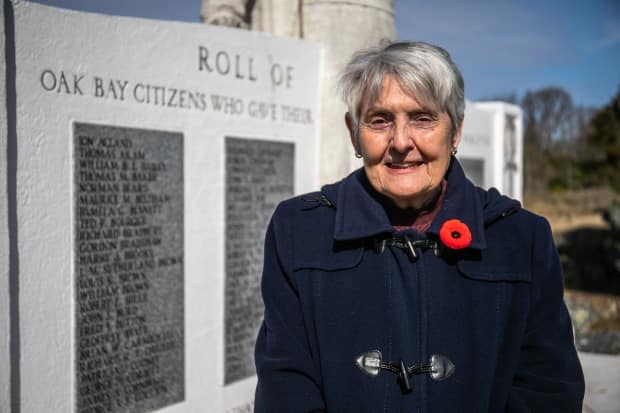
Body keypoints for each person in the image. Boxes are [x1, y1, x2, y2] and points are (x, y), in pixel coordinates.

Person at [254, 41, 584, 412]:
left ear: (455, 131)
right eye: (379, 120)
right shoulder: (299, 230)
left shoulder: (521, 238)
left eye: (422, 118)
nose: (400, 142)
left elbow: (547, 389)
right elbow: (285, 384)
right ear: (354, 133)